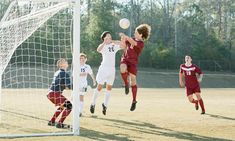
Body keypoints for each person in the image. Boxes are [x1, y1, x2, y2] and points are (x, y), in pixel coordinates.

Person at [90, 31, 124, 115]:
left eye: (110, 36)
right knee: (100, 86)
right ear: (104, 38)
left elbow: (123, 45)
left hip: (111, 69)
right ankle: (93, 103)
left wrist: (113, 41)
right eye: (107, 36)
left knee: (109, 88)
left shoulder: (114, 45)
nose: (109, 37)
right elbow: (98, 50)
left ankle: (105, 105)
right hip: (104, 69)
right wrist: (104, 43)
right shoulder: (103, 46)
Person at [119, 24, 151, 111]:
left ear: (141, 35)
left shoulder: (141, 43)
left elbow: (133, 43)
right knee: (122, 68)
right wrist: (122, 39)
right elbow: (123, 46)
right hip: (125, 59)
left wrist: (126, 37)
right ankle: (126, 83)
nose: (134, 33)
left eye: (136, 32)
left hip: (133, 63)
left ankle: (134, 101)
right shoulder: (130, 39)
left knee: (133, 80)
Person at [47, 58, 72, 128]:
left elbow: (63, 85)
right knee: (69, 106)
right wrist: (78, 87)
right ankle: (60, 123)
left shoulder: (57, 72)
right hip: (55, 93)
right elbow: (68, 86)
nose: (67, 62)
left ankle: (52, 121)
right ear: (61, 65)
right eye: (65, 61)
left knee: (62, 106)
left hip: (50, 93)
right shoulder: (64, 73)